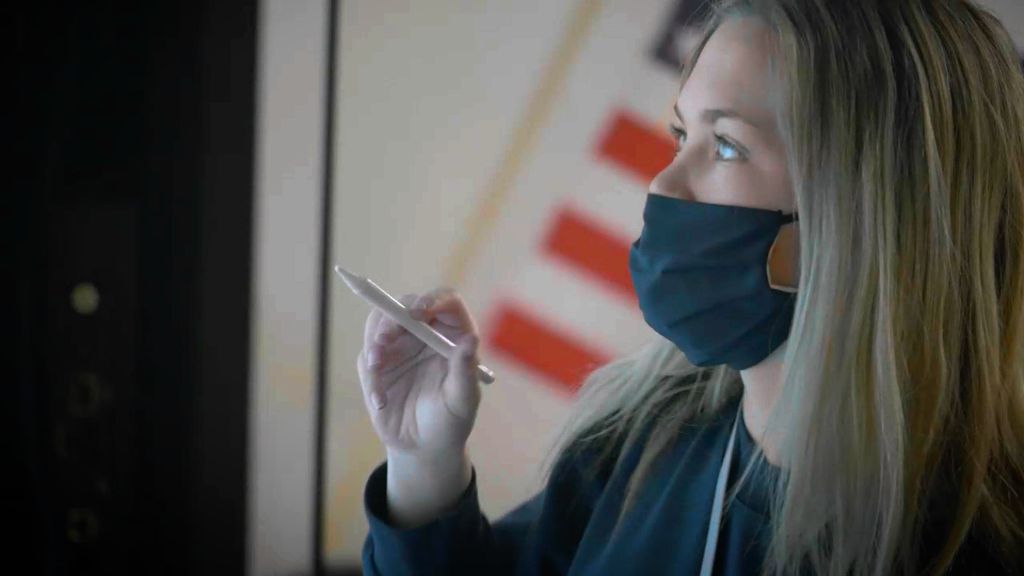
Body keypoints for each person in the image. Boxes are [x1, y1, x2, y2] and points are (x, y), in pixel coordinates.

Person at [355, 0, 1024, 574]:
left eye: (727, 146)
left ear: (868, 213)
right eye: (682, 134)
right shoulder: (641, 440)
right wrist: (423, 462)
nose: (663, 184)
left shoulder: (981, 542)